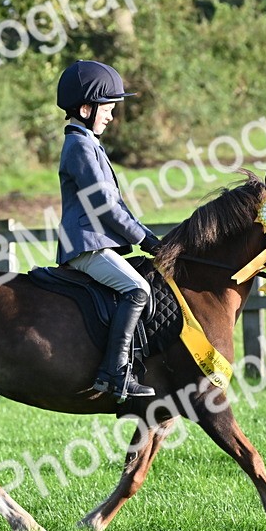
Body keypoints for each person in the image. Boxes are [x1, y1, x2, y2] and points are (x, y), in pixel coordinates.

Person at [54, 60, 161, 401]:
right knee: (138, 290)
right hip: (87, 246)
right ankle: (115, 373)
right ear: (86, 108)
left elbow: (117, 206)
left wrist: (146, 235)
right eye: (107, 108)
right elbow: (104, 205)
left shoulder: (87, 143)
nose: (111, 116)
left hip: (97, 243)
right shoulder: (80, 147)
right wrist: (144, 239)